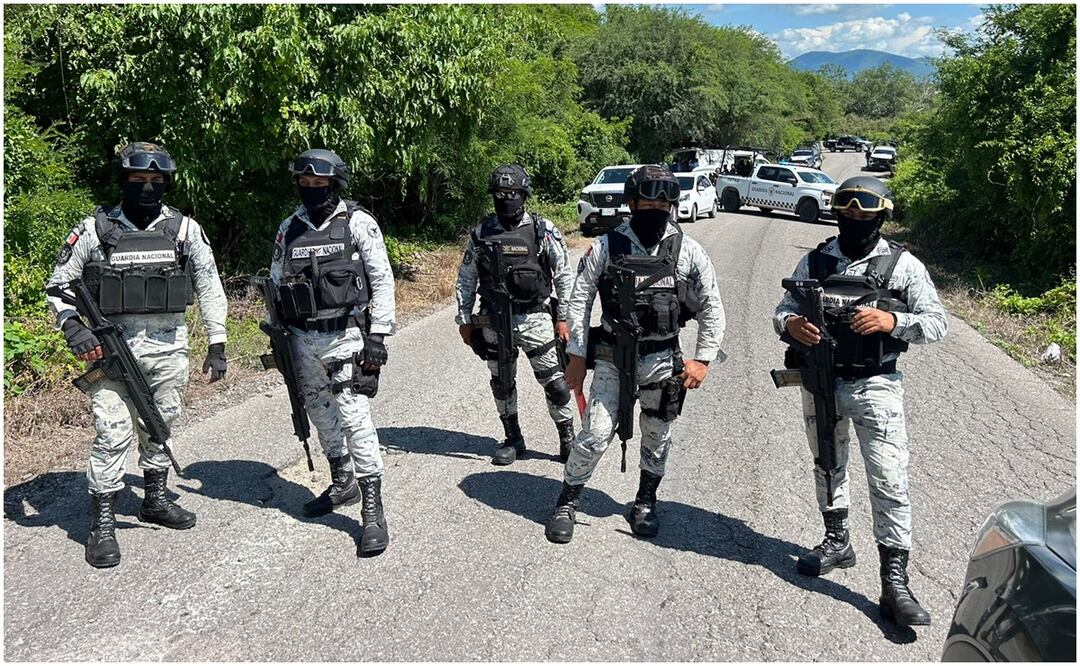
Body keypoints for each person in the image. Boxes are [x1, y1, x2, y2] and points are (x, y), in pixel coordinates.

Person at [773, 176, 947, 627]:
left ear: (881, 213)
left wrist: (890, 319)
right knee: (827, 463)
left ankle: (895, 580)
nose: (853, 214)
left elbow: (936, 324)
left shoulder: (903, 266)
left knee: (889, 479)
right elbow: (781, 307)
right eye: (846, 207)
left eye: (863, 208)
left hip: (877, 386)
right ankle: (836, 540)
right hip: (821, 382)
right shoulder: (816, 259)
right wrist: (790, 324)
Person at [46, 142, 229, 568]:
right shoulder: (95, 229)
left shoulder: (184, 230)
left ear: (166, 183)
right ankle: (103, 523)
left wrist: (217, 343)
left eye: (155, 181)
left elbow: (209, 285)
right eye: (136, 181)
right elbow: (59, 283)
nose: (147, 189)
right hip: (111, 352)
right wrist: (73, 326)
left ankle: (156, 499)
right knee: (113, 435)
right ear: (123, 181)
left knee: (161, 427)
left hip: (170, 350)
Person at [545, 164, 726, 544]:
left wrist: (703, 358)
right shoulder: (609, 245)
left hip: (662, 360)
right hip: (612, 357)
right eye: (649, 197)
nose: (657, 205)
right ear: (631, 202)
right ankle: (568, 500)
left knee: (657, 435)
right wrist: (576, 355)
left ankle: (645, 501)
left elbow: (711, 305)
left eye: (665, 199)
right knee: (594, 435)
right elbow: (579, 300)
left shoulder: (687, 250)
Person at [269, 148, 396, 556]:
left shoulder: (358, 224)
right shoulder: (288, 228)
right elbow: (274, 284)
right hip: (302, 339)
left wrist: (378, 338)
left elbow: (382, 280)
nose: (311, 191)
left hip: (346, 335)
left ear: (335, 184)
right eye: (304, 185)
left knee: (355, 417)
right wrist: (279, 340)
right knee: (320, 413)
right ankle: (342, 482)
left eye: (319, 185)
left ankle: (373, 508)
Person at [455, 165, 576, 465]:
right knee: (502, 382)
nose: (505, 198)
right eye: (499, 193)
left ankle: (567, 438)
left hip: (536, 317)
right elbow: (466, 278)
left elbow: (564, 275)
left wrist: (564, 318)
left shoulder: (542, 230)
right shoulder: (483, 232)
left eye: (512, 193)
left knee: (557, 385)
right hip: (495, 320)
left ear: (524, 195)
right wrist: (464, 320)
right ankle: (513, 438)